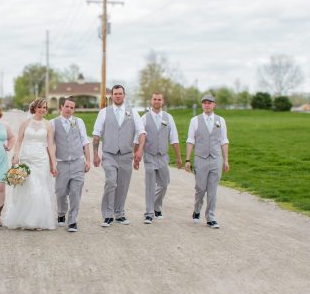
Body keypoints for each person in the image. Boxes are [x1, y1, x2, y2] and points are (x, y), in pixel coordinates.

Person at [92, 85, 146, 227]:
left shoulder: (133, 112)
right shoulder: (104, 112)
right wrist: (95, 154)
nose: (118, 96)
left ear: (124, 95)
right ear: (111, 96)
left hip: (126, 155)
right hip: (109, 154)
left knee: (123, 185)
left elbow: (141, 132)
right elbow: (97, 134)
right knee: (111, 182)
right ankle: (108, 214)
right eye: (115, 94)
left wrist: (140, 150)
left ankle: (119, 213)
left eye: (120, 93)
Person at [3, 98, 58, 230]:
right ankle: (24, 219)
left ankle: (38, 221)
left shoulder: (48, 125)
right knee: (28, 187)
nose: (43, 110)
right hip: (27, 158)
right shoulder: (25, 123)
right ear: (34, 108)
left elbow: (50, 145)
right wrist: (16, 156)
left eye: (45, 108)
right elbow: (19, 141)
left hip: (42, 160)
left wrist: (53, 164)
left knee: (40, 188)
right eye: (40, 107)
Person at [185, 94, 230, 229]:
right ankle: (197, 210)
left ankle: (210, 216)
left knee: (212, 189)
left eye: (209, 103)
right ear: (202, 105)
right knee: (200, 188)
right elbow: (190, 140)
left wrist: (226, 160)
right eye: (204, 103)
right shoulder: (195, 120)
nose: (207, 105)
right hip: (200, 159)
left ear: (214, 104)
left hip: (216, 159)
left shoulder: (221, 120)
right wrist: (187, 159)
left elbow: (224, 140)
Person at [139, 93, 182, 224]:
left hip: (163, 156)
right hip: (149, 155)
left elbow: (174, 138)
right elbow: (138, 138)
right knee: (150, 184)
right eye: (154, 99)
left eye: (159, 99)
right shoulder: (144, 118)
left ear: (162, 102)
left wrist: (179, 157)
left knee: (164, 183)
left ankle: (156, 206)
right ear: (151, 101)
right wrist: (136, 155)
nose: (157, 101)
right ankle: (149, 213)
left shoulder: (169, 118)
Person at [50, 97, 91, 232]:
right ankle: (61, 212)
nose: (69, 109)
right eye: (67, 106)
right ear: (61, 107)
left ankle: (73, 220)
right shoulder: (53, 123)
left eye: (72, 107)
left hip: (78, 162)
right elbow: (49, 145)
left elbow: (85, 141)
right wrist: (52, 163)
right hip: (61, 163)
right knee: (60, 192)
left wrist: (88, 160)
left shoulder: (79, 122)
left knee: (75, 192)